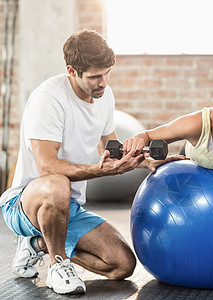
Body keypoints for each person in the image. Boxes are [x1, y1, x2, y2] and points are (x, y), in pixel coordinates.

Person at [0, 29, 182, 295]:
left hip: (67, 207)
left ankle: (37, 244)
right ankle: (57, 264)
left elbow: (110, 149)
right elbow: (47, 168)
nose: (104, 82)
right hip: (25, 204)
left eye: (107, 73)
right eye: (95, 76)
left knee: (121, 265)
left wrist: (145, 161)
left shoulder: (104, 96)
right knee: (57, 184)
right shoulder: (48, 98)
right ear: (72, 71)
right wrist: (99, 172)